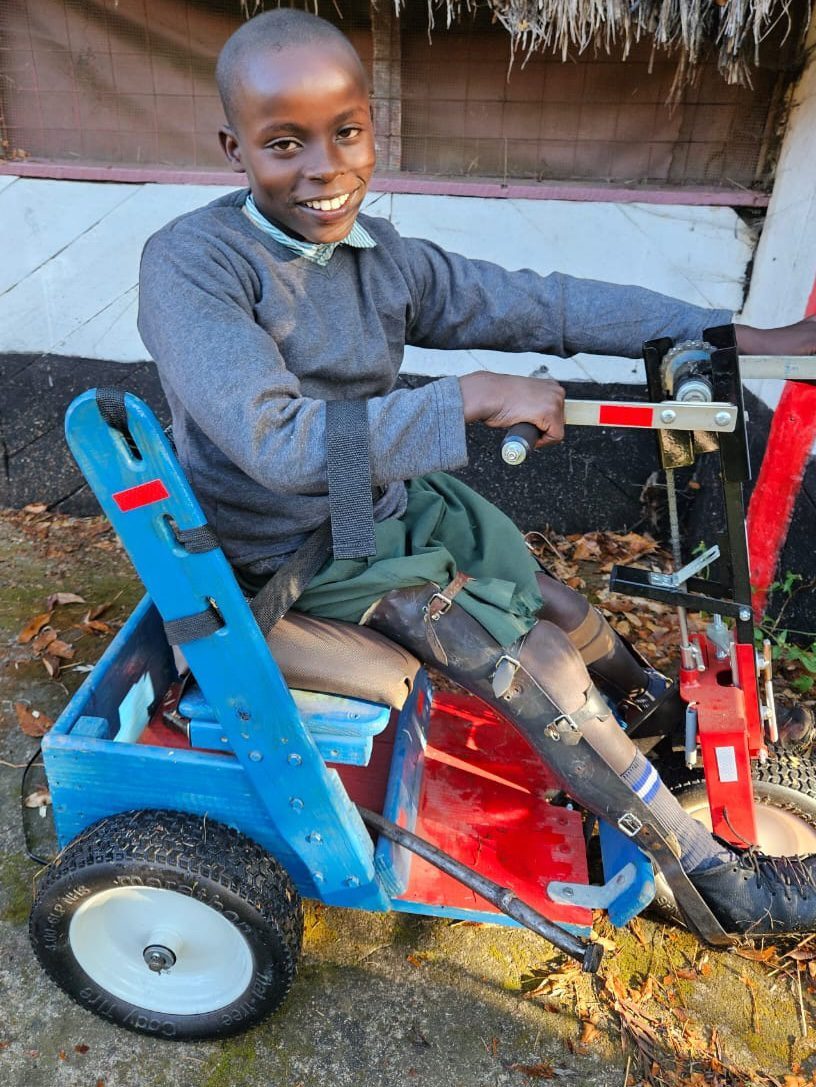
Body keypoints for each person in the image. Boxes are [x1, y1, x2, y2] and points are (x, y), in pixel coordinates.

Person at [138, 8, 816, 937]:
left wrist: (729, 334)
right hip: (285, 549)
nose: (325, 169)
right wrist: (467, 396)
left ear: (372, 128)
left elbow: (541, 304)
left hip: (374, 506)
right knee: (535, 660)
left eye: (347, 133)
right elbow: (280, 444)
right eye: (284, 143)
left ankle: (653, 727)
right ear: (234, 148)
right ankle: (714, 879)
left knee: (558, 604)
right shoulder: (193, 265)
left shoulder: (377, 255)